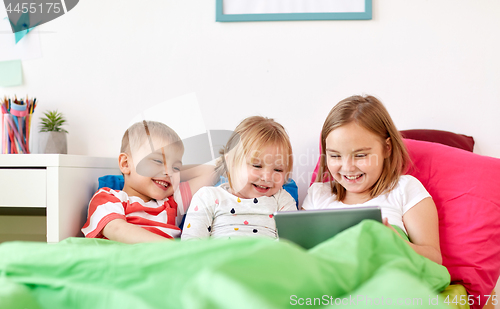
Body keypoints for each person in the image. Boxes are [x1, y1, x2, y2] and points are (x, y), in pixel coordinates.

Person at [302, 95, 442, 264]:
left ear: (387, 148)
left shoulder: (405, 189)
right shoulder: (318, 195)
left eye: (360, 155)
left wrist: (397, 243)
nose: (347, 167)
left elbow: (434, 260)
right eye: (335, 155)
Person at [82, 120, 216, 243]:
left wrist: (175, 174)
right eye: (158, 161)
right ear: (126, 164)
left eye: (176, 167)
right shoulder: (108, 198)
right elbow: (117, 229)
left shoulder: (173, 203)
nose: (168, 172)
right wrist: (172, 249)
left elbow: (211, 172)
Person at [181, 116, 297, 240]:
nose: (267, 177)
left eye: (278, 170)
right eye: (257, 165)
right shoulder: (208, 197)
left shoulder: (282, 200)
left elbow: (292, 245)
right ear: (230, 163)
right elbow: (191, 245)